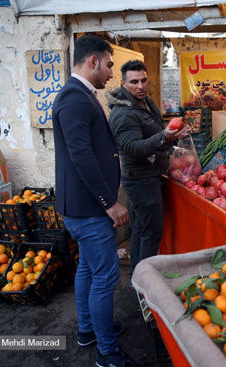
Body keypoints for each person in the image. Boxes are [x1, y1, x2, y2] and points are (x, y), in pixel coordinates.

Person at [52, 35, 133, 367]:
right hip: (88, 211)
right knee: (104, 278)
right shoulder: (73, 99)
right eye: (110, 64)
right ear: (93, 61)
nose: (112, 73)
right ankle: (107, 352)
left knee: (87, 268)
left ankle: (89, 330)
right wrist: (109, 203)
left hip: (84, 210)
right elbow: (81, 156)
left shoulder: (83, 96)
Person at [107, 60, 188, 278]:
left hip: (150, 175)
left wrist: (170, 138)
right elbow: (133, 148)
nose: (140, 85)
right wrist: (163, 136)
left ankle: (138, 277)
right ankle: (147, 282)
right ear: (124, 84)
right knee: (151, 233)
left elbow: (152, 134)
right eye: (134, 82)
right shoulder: (123, 113)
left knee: (141, 230)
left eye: (143, 80)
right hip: (140, 180)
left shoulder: (145, 102)